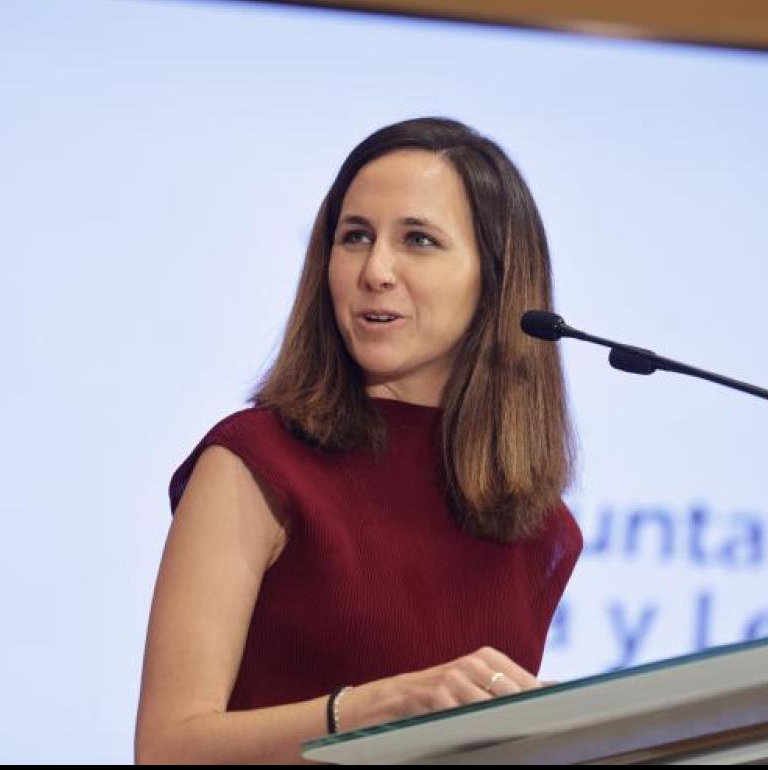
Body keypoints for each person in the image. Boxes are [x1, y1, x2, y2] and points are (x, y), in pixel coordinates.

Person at [134, 117, 583, 764]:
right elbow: (168, 750)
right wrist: (370, 710)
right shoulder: (254, 461)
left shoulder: (541, 528)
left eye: (418, 240)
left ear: (496, 279)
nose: (375, 270)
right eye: (355, 237)